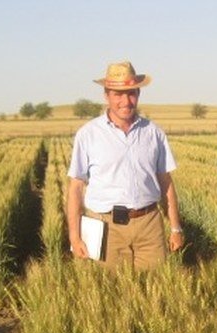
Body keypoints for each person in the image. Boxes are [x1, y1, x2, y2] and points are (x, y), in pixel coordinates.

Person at [67, 61, 185, 270]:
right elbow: (76, 187)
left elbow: (166, 182)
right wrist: (74, 237)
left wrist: (175, 228)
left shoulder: (154, 133)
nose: (126, 101)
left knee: (155, 286)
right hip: (107, 228)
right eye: (118, 94)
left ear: (138, 94)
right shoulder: (88, 134)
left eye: (131, 93)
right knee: (111, 288)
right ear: (106, 95)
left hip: (149, 225)